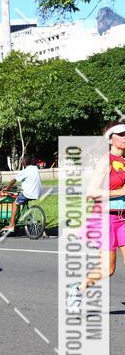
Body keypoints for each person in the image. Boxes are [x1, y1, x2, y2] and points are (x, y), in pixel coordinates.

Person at [67, 122, 125, 308]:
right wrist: (119, 193)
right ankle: (77, 290)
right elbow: (91, 192)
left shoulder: (124, 162)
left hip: (123, 218)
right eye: (121, 135)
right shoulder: (105, 161)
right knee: (108, 269)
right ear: (111, 139)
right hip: (107, 218)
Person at [0, 156, 42, 231]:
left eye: (22, 161)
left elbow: (13, 181)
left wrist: (7, 188)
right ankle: (23, 217)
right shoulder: (35, 168)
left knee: (15, 203)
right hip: (37, 192)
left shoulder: (24, 171)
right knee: (21, 200)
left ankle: (11, 226)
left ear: (23, 163)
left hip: (28, 193)